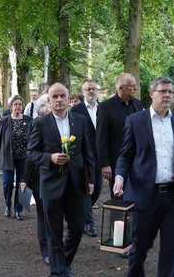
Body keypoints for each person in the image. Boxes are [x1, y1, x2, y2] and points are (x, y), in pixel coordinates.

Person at [113, 76, 174, 277]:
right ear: (152, 94)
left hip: (173, 198)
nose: (167, 95)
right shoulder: (135, 121)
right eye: (163, 91)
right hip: (144, 196)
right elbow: (125, 155)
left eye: (170, 92)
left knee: (171, 250)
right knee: (139, 248)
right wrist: (119, 177)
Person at [27, 83, 95, 277]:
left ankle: (63, 264)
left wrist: (90, 179)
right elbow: (31, 153)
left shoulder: (80, 121)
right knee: (54, 232)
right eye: (54, 96)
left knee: (77, 227)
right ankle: (58, 273)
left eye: (62, 96)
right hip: (51, 185)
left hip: (76, 185)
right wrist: (50, 158)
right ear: (48, 100)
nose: (59, 100)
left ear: (68, 98)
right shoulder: (40, 123)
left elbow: (87, 152)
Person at [96, 73, 142, 198]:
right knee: (119, 198)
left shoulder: (137, 104)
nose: (135, 89)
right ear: (121, 88)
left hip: (137, 159)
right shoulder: (106, 107)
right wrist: (104, 164)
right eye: (132, 86)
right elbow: (101, 137)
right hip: (116, 161)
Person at [21, 103, 53, 266]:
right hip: (38, 177)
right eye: (46, 115)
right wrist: (24, 179)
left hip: (57, 178)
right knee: (43, 213)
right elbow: (30, 156)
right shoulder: (36, 129)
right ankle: (46, 250)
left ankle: (54, 245)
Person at [70, 79, 101, 237]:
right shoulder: (76, 110)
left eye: (93, 89)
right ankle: (89, 222)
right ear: (83, 92)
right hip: (83, 155)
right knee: (88, 190)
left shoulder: (103, 108)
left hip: (99, 156)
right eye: (88, 89)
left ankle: (82, 213)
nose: (91, 91)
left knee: (98, 189)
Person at [0, 95, 31, 220]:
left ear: (23, 106)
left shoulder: (29, 120)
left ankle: (19, 209)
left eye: (20, 104)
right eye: (15, 105)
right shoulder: (5, 120)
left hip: (24, 157)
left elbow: (34, 138)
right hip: (8, 156)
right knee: (7, 182)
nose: (18, 107)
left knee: (23, 183)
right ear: (11, 107)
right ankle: (7, 205)